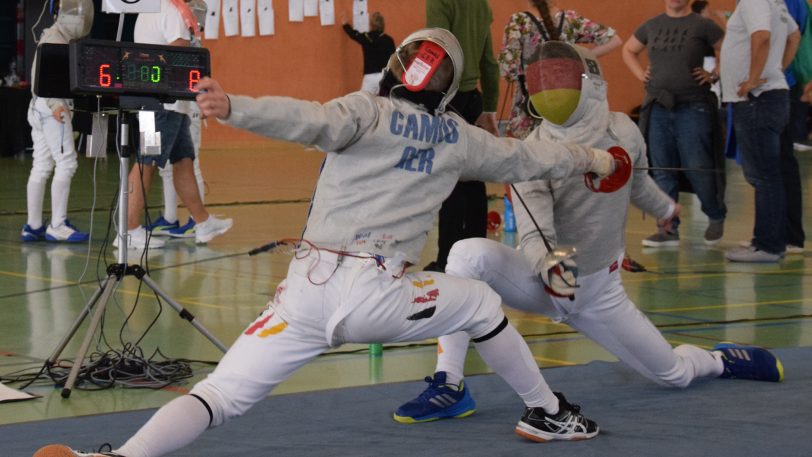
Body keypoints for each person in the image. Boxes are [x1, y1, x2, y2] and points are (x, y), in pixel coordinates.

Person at [34, 28, 626, 456]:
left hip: (304, 293)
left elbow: (307, 120)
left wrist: (235, 107)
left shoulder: (364, 111)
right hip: (380, 294)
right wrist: (596, 157)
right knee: (477, 301)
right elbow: (531, 155)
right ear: (447, 89)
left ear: (395, 68)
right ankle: (549, 413)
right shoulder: (459, 138)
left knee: (220, 394)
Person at [394, 41, 784, 427]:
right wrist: (556, 279)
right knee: (467, 254)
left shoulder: (624, 130)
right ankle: (450, 382)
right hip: (544, 281)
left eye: (560, 78)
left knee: (676, 374)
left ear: (588, 80)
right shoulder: (534, 152)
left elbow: (635, 181)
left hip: (600, 290)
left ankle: (720, 360)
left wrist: (665, 210)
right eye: (541, 82)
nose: (551, 90)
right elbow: (536, 235)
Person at [115, 0, 232, 250]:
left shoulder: (151, 11)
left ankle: (202, 222)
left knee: (183, 161)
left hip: (168, 105)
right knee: (146, 162)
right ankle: (129, 229)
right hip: (162, 107)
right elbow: (179, 57)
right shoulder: (171, 13)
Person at [622, 0, 728, 248]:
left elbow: (729, 49)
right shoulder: (652, 25)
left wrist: (714, 74)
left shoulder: (703, 25)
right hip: (658, 106)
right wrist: (641, 75)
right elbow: (628, 50)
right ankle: (667, 228)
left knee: (697, 165)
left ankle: (715, 213)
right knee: (662, 169)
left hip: (693, 106)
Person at [423, 0, 500, 273]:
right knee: (474, 178)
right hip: (472, 100)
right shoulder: (480, 3)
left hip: (447, 97)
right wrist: (490, 107)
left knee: (449, 181)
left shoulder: (439, 2)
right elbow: (489, 61)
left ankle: (448, 259)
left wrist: (426, 99)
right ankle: (480, 254)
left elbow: (439, 51)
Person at [721, 0, 801, 263]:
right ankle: (770, 241)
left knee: (764, 177)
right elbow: (794, 35)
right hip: (772, 95)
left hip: (757, 99)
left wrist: (754, 78)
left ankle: (767, 245)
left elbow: (762, 36)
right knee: (770, 176)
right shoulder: (775, 3)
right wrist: (777, 70)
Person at [21, 0, 93, 244]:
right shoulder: (53, 39)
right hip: (52, 108)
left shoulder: (56, 37)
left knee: (41, 166)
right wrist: (56, 104)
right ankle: (57, 225)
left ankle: (33, 225)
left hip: (39, 108)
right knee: (66, 163)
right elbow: (41, 77)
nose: (80, 20)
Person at [499, 0, 622, 140]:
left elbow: (508, 69)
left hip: (530, 103)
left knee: (526, 153)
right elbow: (614, 39)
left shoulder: (519, 21)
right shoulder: (570, 19)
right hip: (568, 103)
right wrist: (580, 59)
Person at [147, 0, 209, 239]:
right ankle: (170, 218)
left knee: (190, 163)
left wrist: (201, 98)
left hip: (183, 107)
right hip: (158, 106)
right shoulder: (156, 20)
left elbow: (199, 75)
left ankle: (197, 220)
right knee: (161, 166)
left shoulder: (189, 38)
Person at [341, 12, 396, 94]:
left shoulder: (366, 37)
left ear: (371, 24)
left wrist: (345, 25)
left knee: (364, 102)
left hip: (369, 76)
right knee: (384, 103)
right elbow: (394, 59)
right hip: (384, 76)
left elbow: (353, 34)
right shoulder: (388, 40)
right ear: (383, 24)